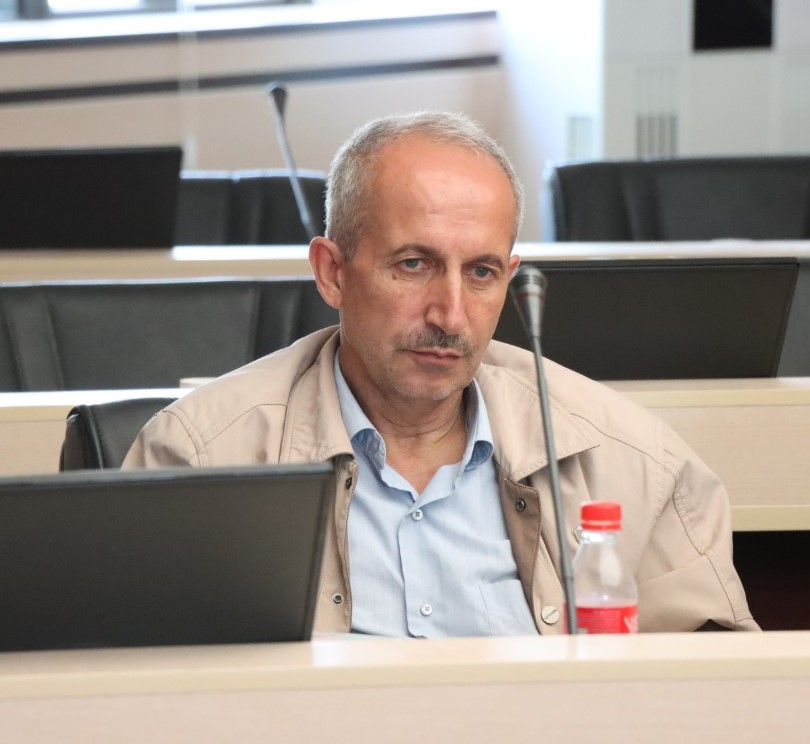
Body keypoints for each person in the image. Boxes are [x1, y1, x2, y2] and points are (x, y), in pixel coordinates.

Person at [123, 111, 758, 635]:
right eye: (414, 265)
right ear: (332, 273)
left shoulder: (636, 464)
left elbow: (716, 697)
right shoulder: (197, 460)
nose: (450, 315)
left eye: (481, 272)